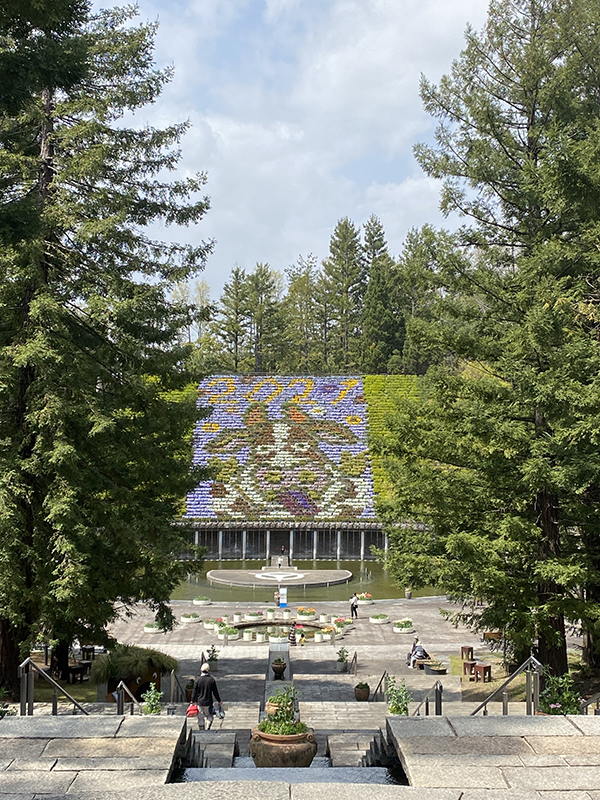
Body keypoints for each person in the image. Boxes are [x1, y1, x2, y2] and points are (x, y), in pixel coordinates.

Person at [191, 662, 222, 730]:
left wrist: (192, 700)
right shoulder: (211, 680)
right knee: (209, 715)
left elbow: (194, 692)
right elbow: (215, 692)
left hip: (200, 702)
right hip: (208, 702)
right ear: (208, 670)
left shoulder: (197, 679)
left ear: (201, 670)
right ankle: (208, 726)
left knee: (200, 717)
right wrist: (219, 700)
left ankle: (201, 729)